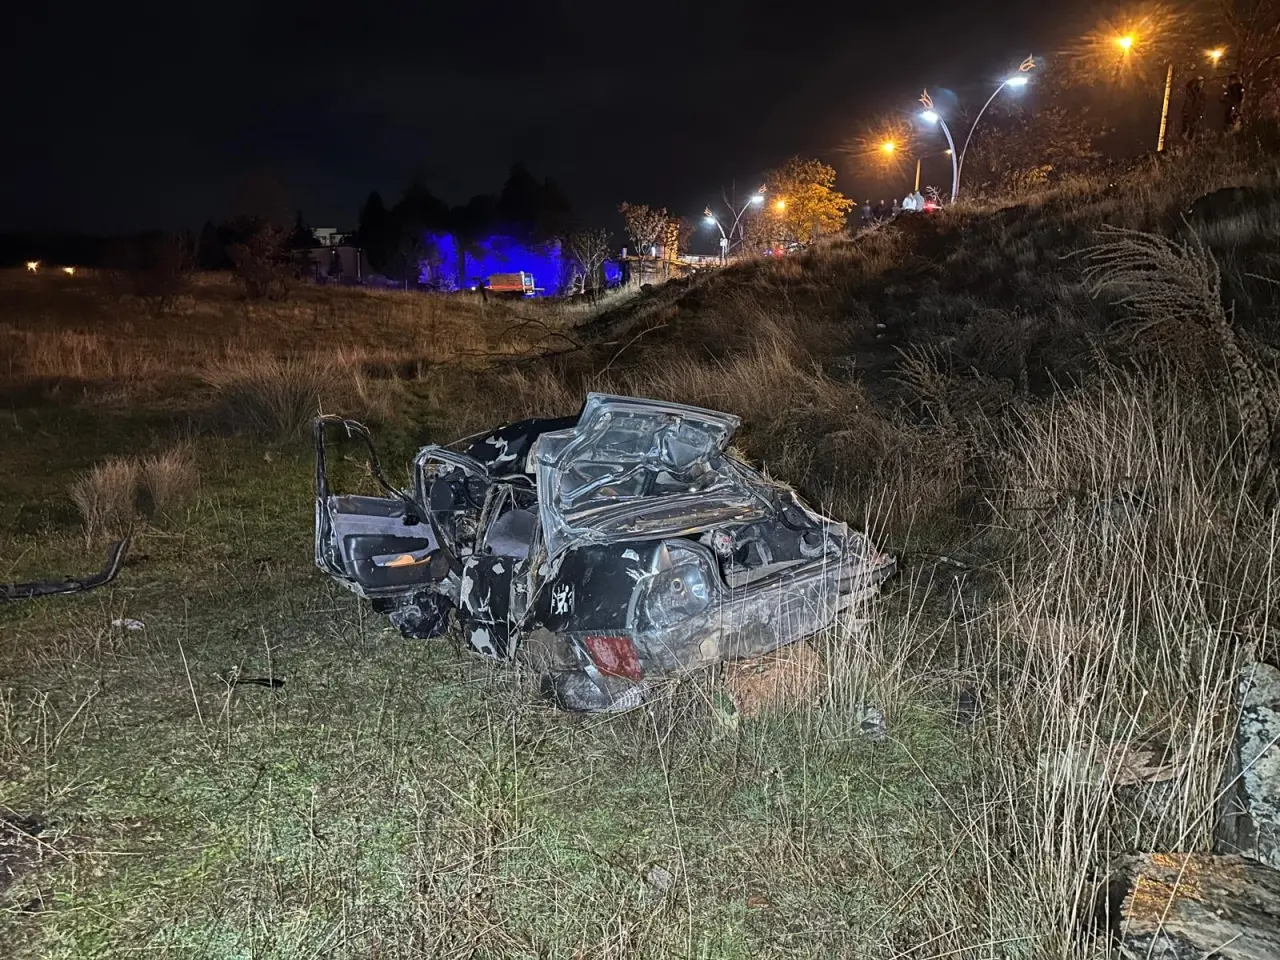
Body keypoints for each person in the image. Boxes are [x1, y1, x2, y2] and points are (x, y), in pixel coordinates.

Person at [1180, 76, 1205, 140]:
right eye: (1200, 83)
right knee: (1185, 130)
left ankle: (1189, 142)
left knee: (1192, 131)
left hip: (1195, 116)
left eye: (1202, 83)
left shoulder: (1201, 94)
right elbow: (1188, 86)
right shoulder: (1192, 91)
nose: (1201, 84)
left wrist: (1200, 114)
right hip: (1189, 114)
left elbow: (1201, 105)